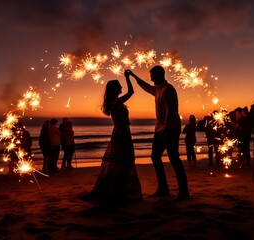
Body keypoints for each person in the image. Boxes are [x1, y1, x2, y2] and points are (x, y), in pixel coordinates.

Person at [128, 65, 190, 201]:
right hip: (160, 129)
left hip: (170, 129)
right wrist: (133, 76)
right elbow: (145, 86)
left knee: (174, 158)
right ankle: (163, 188)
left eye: (152, 76)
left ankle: (184, 191)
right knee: (155, 157)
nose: (150, 79)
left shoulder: (168, 89)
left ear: (159, 75)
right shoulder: (157, 89)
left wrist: (166, 128)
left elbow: (171, 111)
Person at [81, 70, 142, 205]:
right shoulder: (116, 102)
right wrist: (128, 77)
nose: (121, 88)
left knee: (121, 162)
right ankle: (118, 192)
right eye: (119, 86)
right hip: (122, 134)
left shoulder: (115, 102)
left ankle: (119, 190)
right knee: (124, 162)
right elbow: (131, 92)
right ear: (115, 89)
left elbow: (130, 93)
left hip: (121, 133)